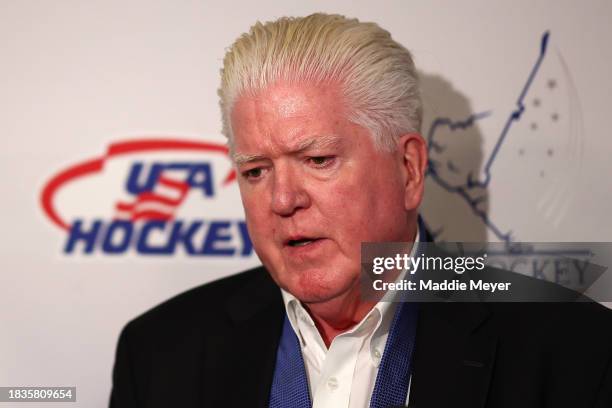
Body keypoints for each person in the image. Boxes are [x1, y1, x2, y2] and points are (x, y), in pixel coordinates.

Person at [109, 13, 612, 408]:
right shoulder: (159, 353)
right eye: (256, 170)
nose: (283, 200)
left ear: (409, 168)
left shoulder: (573, 347)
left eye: (318, 160)